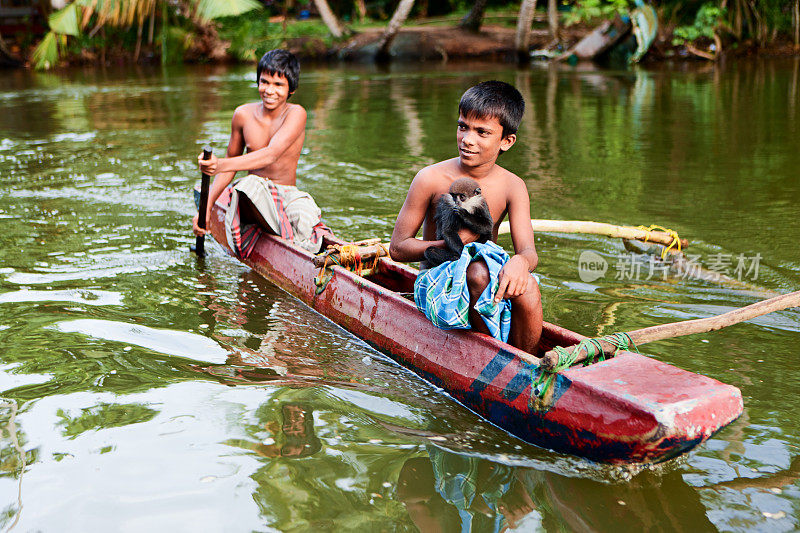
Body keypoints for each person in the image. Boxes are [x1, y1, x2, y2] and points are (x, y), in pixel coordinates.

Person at [389, 81, 542, 353]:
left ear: (506, 141)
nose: (467, 139)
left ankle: (524, 361)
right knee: (479, 273)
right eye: (463, 127)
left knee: (528, 286)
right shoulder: (430, 178)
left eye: (482, 132)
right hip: (439, 280)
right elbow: (398, 248)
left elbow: (529, 252)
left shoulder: (512, 186)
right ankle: (491, 354)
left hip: (484, 275)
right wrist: (452, 247)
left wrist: (520, 262)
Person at [192, 49, 330, 257]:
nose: (269, 90)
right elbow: (231, 164)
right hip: (253, 197)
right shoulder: (243, 114)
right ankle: (279, 235)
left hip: (287, 194)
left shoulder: (296, 114)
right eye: (264, 82)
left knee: (305, 218)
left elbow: (271, 154)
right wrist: (206, 208)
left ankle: (294, 247)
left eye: (278, 85)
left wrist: (218, 165)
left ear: (291, 89)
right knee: (248, 184)